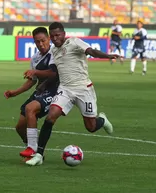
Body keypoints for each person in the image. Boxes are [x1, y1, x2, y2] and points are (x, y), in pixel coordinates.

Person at [25, 22, 118, 166]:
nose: (55, 39)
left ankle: (102, 121)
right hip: (65, 90)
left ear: (64, 34)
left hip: (83, 89)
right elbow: (57, 71)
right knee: (50, 117)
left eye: (58, 35)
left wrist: (107, 55)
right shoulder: (54, 51)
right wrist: (43, 84)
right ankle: (39, 155)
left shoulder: (74, 42)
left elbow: (91, 51)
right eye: (53, 36)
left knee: (91, 127)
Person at [4, 27, 59, 160]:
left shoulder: (55, 53)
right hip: (40, 92)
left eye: (43, 41)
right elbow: (32, 81)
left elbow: (53, 73)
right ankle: (32, 147)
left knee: (30, 109)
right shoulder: (35, 58)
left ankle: (33, 149)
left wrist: (35, 72)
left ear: (49, 39)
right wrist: (15, 92)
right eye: (37, 42)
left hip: (55, 91)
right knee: (19, 127)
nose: (41, 44)